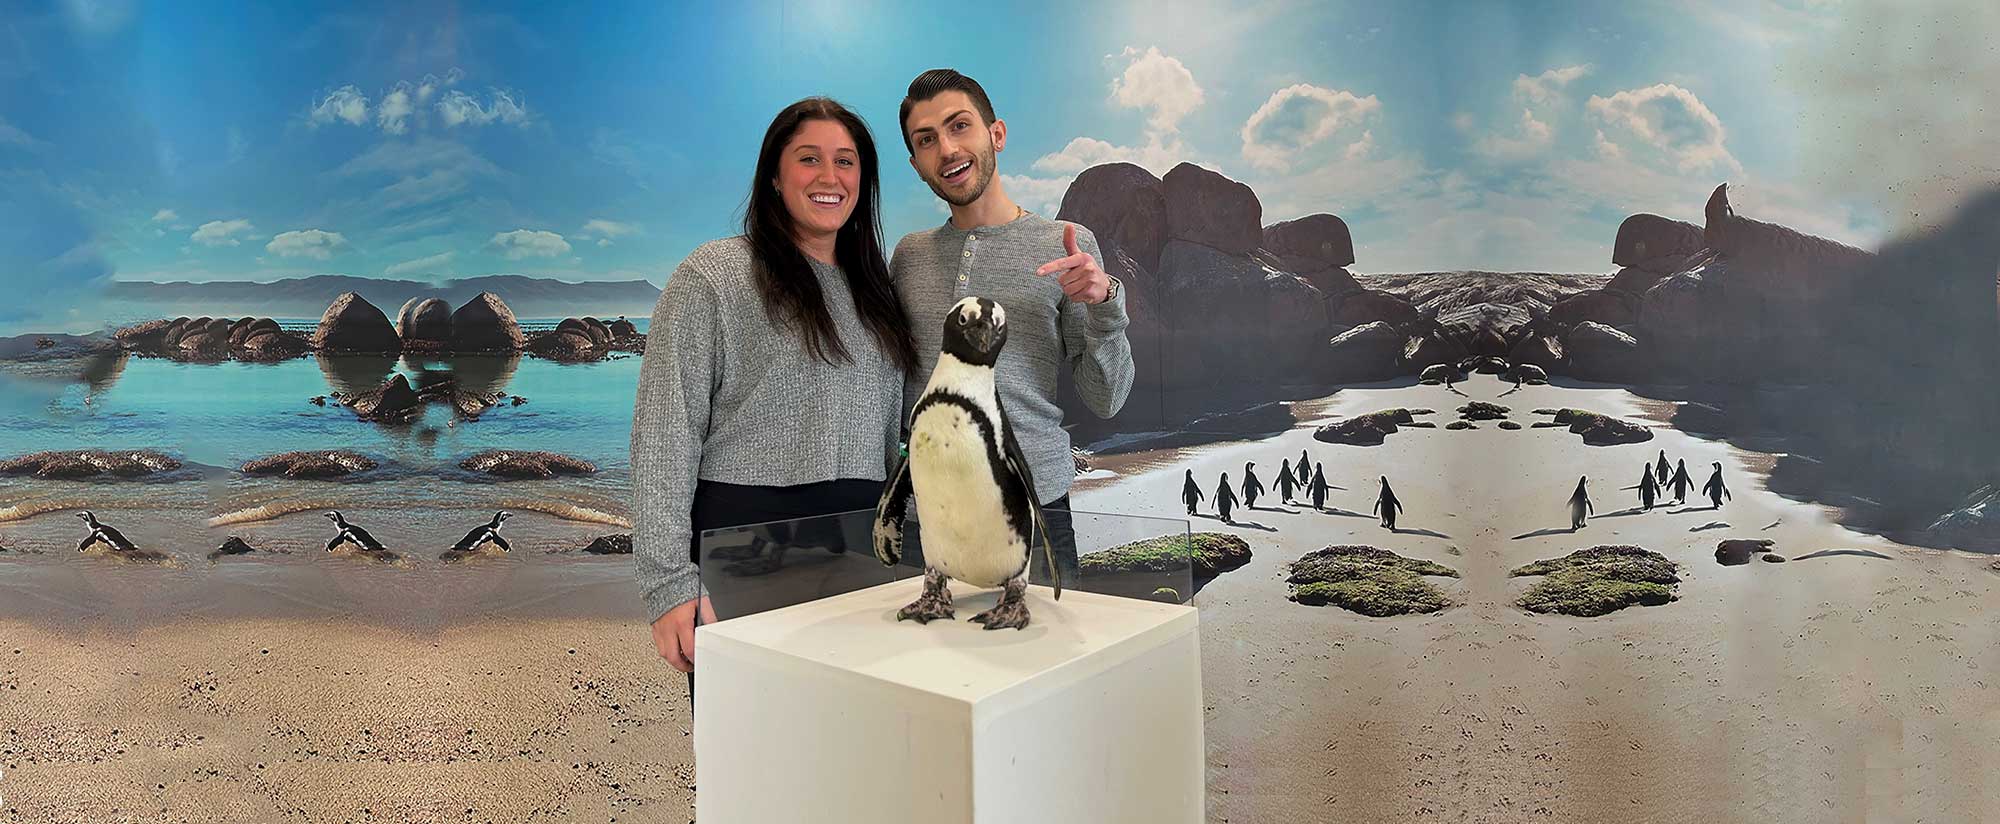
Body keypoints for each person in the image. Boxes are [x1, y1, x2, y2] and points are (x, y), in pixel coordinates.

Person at [631, 97, 919, 701]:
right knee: (750, 744)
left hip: (863, 552)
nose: (829, 176)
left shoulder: (877, 295)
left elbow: (897, 442)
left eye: (845, 161)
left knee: (856, 736)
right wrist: (668, 584)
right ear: (774, 176)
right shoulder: (713, 276)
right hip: (740, 551)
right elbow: (664, 435)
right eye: (809, 158)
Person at [888, 68, 1135, 586]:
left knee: (1042, 642)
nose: (947, 149)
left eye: (960, 126)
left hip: (1031, 514)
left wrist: (1105, 304)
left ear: (995, 134)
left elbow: (1106, 399)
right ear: (915, 164)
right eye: (926, 140)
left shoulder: (1065, 244)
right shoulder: (908, 256)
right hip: (925, 519)